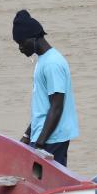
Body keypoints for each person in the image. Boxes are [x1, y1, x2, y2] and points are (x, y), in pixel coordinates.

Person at [12, 9, 79, 166]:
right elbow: (42, 107)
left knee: (53, 181)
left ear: (33, 38)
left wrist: (40, 145)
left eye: (21, 43)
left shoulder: (52, 64)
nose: (20, 48)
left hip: (52, 140)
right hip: (42, 136)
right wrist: (27, 136)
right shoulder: (43, 61)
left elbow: (56, 106)